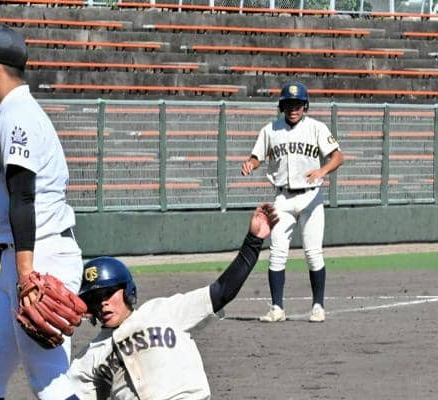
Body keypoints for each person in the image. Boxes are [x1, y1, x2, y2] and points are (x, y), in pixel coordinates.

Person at [0, 25, 84, 399]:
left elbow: (24, 196)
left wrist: (26, 277)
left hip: (39, 259)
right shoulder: (15, 113)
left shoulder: (18, 117)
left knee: (48, 378)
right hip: (24, 257)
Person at [58, 204, 278, 399]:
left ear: (127, 291)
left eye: (108, 293)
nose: (103, 303)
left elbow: (222, 292)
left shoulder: (164, 311)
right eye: (95, 299)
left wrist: (254, 240)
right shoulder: (90, 357)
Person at [240, 82, 344, 323]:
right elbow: (257, 156)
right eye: (289, 104)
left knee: (313, 252)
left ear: (305, 106)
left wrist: (322, 171)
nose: (293, 108)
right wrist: (250, 164)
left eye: (297, 104)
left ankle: (318, 306)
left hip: (310, 196)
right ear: (282, 106)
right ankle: (277, 308)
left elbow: (338, 156)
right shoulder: (270, 130)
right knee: (277, 253)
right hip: (282, 197)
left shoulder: (317, 128)